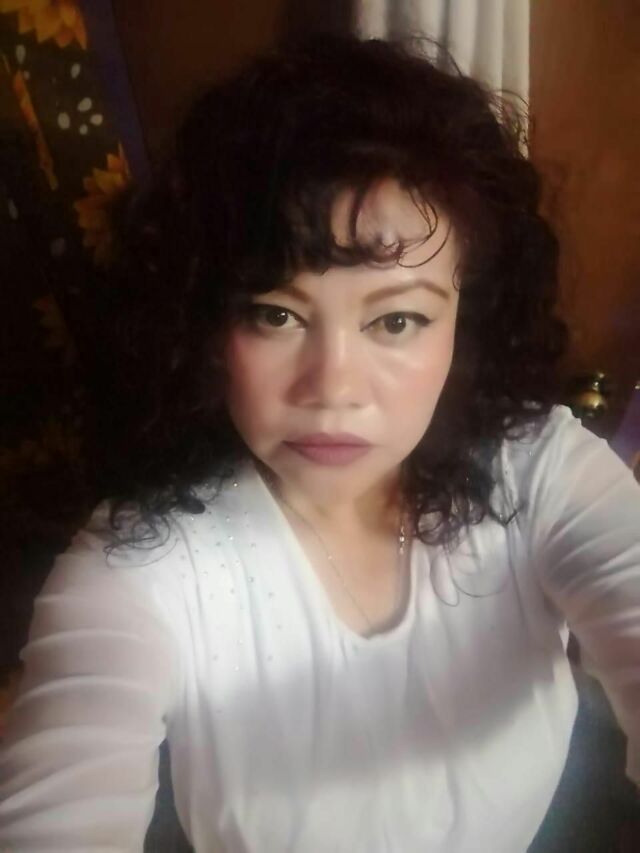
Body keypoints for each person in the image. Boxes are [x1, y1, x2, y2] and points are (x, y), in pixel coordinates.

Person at [0, 33, 638, 853]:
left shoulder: (541, 472)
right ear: (207, 324)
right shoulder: (144, 568)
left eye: (396, 319)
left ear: (464, 323)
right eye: (276, 314)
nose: (333, 388)